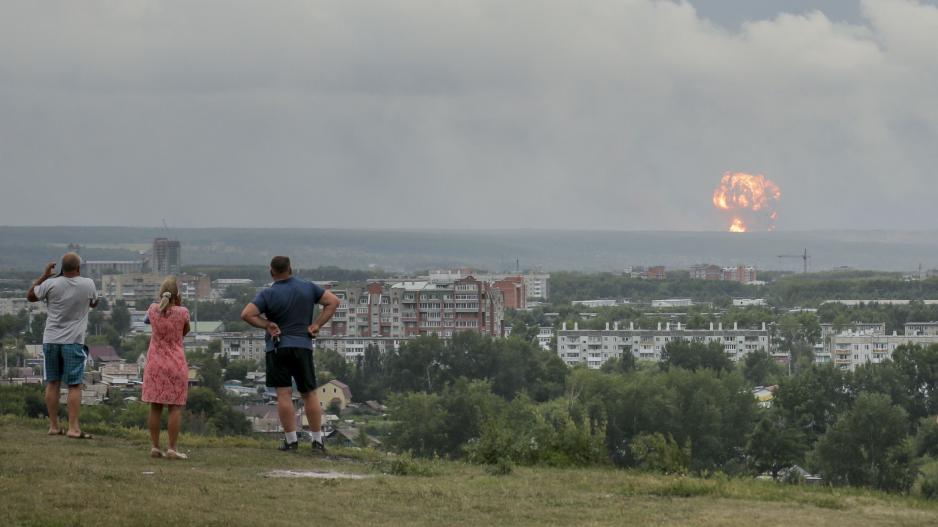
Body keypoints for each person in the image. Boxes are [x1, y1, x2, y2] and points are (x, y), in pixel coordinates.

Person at [241, 256, 340, 453]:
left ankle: (291, 441)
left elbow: (246, 314)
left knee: (284, 393)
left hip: (278, 347)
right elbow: (333, 302)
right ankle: (317, 441)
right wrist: (317, 324)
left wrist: (267, 325)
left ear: (272, 272)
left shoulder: (268, 294)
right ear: (290, 269)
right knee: (309, 393)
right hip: (303, 345)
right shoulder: (308, 287)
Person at [26, 252, 99, 439]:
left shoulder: (50, 284)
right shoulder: (88, 283)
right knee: (74, 385)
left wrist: (44, 276)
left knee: (53, 382)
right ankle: (73, 428)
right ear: (78, 268)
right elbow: (94, 303)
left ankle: (53, 426)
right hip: (73, 342)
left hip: (50, 340)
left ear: (61, 269)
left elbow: (30, 296)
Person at [141, 278, 191, 459]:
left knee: (155, 406)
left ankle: (155, 446)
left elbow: (146, 321)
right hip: (176, 363)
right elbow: (185, 331)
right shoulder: (183, 312)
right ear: (177, 295)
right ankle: (172, 448)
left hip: (155, 363)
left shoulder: (153, 310)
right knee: (175, 407)